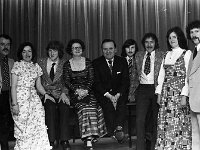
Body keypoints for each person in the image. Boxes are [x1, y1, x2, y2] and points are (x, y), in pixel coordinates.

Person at [63, 39, 107, 150]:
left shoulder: (88, 62)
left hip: (88, 92)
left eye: (79, 47)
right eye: (74, 48)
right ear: (71, 50)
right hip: (75, 94)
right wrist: (77, 90)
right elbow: (67, 81)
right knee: (84, 109)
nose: (77, 50)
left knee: (93, 107)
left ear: (82, 49)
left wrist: (86, 90)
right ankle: (88, 139)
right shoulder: (67, 64)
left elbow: (92, 79)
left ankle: (89, 139)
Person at [155, 26, 192, 149]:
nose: (171, 39)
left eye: (174, 37)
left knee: (178, 122)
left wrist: (184, 95)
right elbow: (161, 76)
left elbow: (188, 76)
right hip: (166, 95)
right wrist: (159, 94)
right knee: (165, 122)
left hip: (178, 94)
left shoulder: (187, 53)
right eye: (169, 37)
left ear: (179, 38)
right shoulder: (166, 54)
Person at [11, 42, 52, 150]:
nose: (27, 54)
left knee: (38, 124)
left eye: (29, 51)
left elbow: (38, 86)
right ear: (21, 53)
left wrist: (45, 94)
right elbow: (13, 86)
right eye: (24, 51)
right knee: (23, 126)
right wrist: (14, 104)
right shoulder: (17, 65)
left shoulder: (36, 66)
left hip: (34, 99)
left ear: (33, 53)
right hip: (20, 99)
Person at [93, 39, 129, 142]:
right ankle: (115, 131)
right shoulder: (96, 63)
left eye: (110, 49)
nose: (108, 51)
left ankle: (118, 128)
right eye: (105, 49)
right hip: (104, 94)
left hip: (119, 93)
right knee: (108, 105)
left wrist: (117, 95)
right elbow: (96, 83)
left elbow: (125, 81)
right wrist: (109, 96)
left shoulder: (122, 61)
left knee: (121, 104)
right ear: (102, 50)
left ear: (115, 50)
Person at [38, 41, 71, 150]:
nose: (52, 53)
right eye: (50, 50)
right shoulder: (41, 62)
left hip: (61, 93)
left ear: (59, 52)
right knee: (50, 108)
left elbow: (67, 81)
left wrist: (64, 93)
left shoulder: (64, 63)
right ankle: (51, 141)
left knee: (64, 107)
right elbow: (38, 81)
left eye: (55, 51)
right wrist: (45, 93)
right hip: (46, 94)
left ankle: (64, 140)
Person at [135, 33, 164, 150]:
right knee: (140, 120)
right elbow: (134, 75)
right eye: (146, 42)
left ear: (155, 43)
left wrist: (160, 91)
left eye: (151, 42)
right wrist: (131, 93)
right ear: (143, 44)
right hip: (142, 89)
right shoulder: (139, 55)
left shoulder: (162, 55)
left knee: (156, 120)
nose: (149, 44)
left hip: (156, 89)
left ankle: (154, 147)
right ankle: (140, 147)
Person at [186, 20, 200, 150]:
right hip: (194, 99)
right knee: (195, 134)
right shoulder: (193, 52)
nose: (194, 34)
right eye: (191, 32)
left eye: (197, 31)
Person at [0, 34, 14, 150]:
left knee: (4, 125)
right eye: (2, 44)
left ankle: (4, 147)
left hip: (7, 96)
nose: (5, 47)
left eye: (8, 44)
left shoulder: (11, 61)